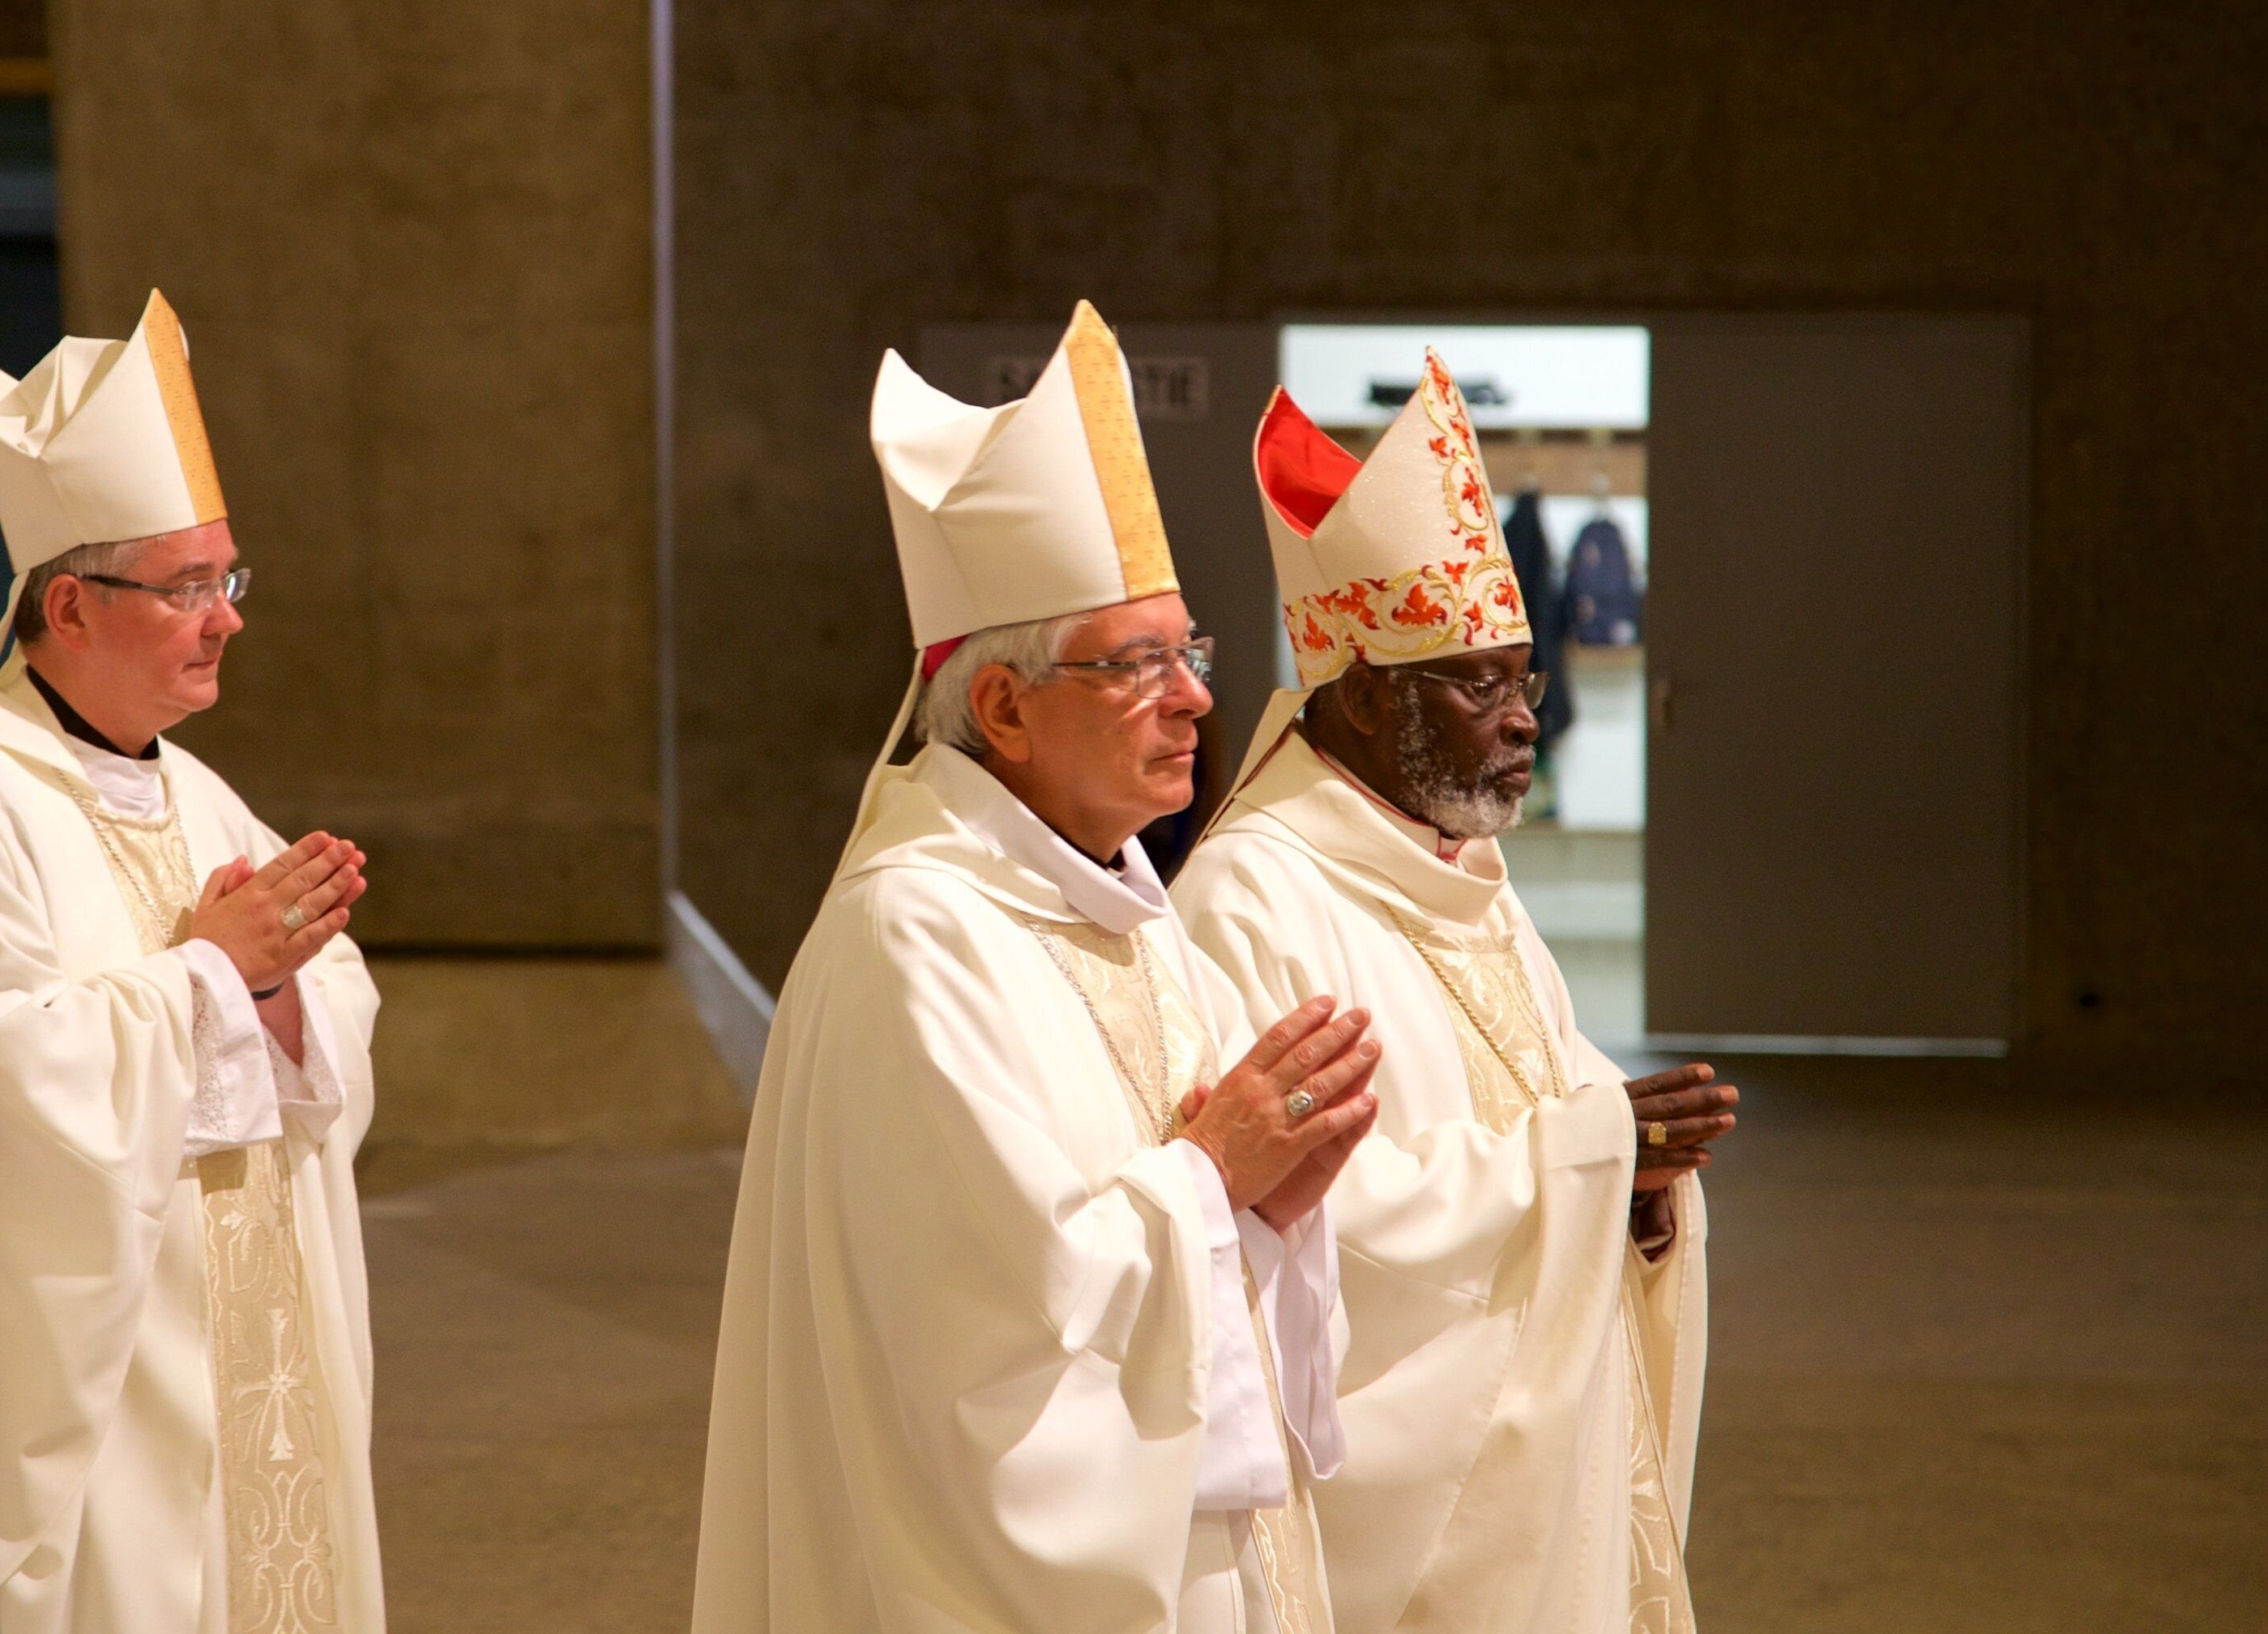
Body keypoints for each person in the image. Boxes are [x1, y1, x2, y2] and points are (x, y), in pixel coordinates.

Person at [694, 303, 1381, 1634]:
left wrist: (1270, 1209)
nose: (1192, 695)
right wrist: (1214, 1178)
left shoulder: (1130, 909)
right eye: (1138, 664)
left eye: (1192, 653)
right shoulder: (916, 933)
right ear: (1002, 709)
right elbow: (983, 1319)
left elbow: (1176, 1220)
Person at [1171, 354, 1735, 1634]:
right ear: (1368, 697)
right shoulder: (1251, 897)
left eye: (1522, 679)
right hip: (1399, 1507)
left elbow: (1550, 1090)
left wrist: (1636, 1191)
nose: (1525, 719)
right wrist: (1590, 1158)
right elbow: (1306, 1219)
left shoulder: (1460, 866)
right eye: (1478, 683)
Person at [0, 297, 382, 1634]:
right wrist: (212, 978)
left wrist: (273, 983)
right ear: (72, 605)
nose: (227, 622)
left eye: (231, 581)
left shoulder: (204, 796)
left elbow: (331, 1005)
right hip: (108, 1363)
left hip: (257, 1330)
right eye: (190, 588)